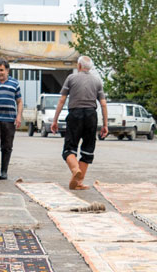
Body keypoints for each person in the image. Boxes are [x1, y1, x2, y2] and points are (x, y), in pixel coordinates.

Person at [50, 56, 108, 189]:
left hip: (75, 114)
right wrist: (105, 124)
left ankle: (75, 170)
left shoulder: (71, 78)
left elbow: (61, 100)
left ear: (79, 66)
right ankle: (79, 182)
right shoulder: (97, 80)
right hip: (91, 116)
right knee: (87, 150)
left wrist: (55, 120)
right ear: (90, 67)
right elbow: (103, 104)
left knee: (69, 149)